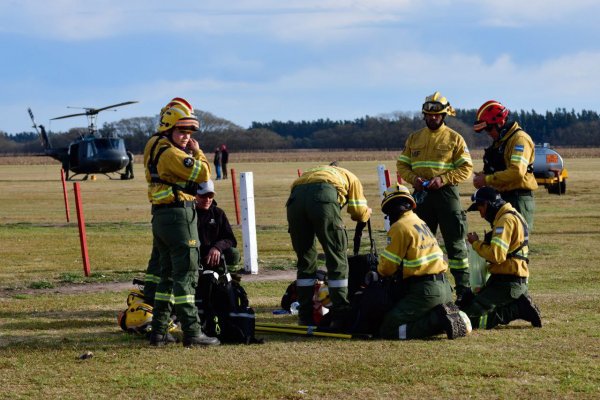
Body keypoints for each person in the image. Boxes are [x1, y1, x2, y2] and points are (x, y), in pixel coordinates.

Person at [143, 97, 219, 347]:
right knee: (186, 276)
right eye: (181, 131)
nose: (186, 136)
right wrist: (197, 152)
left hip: (161, 217)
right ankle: (193, 332)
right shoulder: (172, 154)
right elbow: (204, 172)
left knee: (165, 277)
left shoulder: (153, 145)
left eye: (189, 132)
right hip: (179, 218)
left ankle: (159, 332)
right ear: (168, 129)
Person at [396, 91, 474, 307]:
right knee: (419, 242)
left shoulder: (454, 138)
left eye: (437, 115)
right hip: (421, 195)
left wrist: (444, 179)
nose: (433, 118)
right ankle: (422, 287)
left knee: (455, 243)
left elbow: (466, 167)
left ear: (444, 115)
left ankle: (463, 291)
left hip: (446, 194)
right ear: (424, 115)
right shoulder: (414, 138)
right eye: (429, 115)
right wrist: (414, 179)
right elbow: (402, 164)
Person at [377, 184, 470, 340]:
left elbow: (387, 268)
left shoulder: (399, 227)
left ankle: (437, 321)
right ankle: (444, 315)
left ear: (390, 209)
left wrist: (376, 271)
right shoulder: (419, 222)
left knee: (388, 328)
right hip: (444, 288)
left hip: (424, 292)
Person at [286, 164, 372, 328]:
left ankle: (304, 316)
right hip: (323, 196)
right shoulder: (349, 176)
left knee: (305, 261)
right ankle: (340, 315)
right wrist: (368, 212)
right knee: (336, 257)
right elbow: (358, 214)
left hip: (294, 200)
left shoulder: (310, 172)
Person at [464, 186, 542, 329]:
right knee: (469, 305)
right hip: (506, 279)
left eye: (480, 209)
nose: (481, 215)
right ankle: (518, 304)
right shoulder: (511, 215)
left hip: (508, 283)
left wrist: (476, 243)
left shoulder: (505, 220)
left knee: (468, 318)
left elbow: (496, 255)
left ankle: (517, 309)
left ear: (487, 204)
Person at [472, 100, 538, 230]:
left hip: (518, 199)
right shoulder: (501, 142)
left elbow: (516, 172)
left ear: (500, 122)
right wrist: (483, 176)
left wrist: (486, 179)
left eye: (489, 128)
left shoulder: (519, 140)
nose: (488, 133)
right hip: (502, 197)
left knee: (516, 243)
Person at [195, 179, 240, 272]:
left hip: (214, 257)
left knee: (233, 253)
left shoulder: (218, 213)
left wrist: (217, 248)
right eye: (203, 195)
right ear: (195, 195)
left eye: (210, 195)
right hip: (193, 256)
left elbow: (231, 239)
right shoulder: (188, 214)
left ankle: (229, 281)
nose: (207, 199)